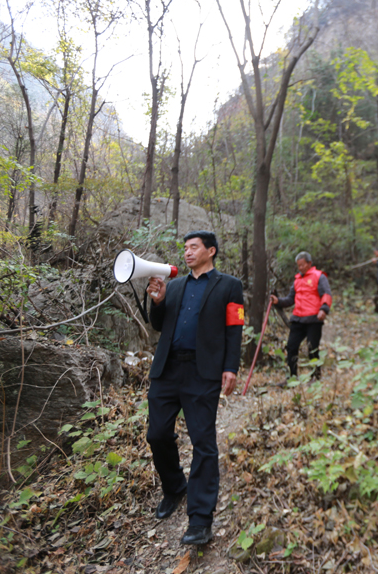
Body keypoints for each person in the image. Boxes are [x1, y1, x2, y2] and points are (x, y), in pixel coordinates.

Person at [145, 230, 244, 546]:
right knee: (156, 434)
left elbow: (235, 328)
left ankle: (200, 520)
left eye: (194, 247)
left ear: (210, 251)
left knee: (203, 443)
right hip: (167, 369)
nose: (187, 252)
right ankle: (175, 487)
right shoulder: (173, 286)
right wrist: (157, 302)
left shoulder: (229, 286)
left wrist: (231, 367)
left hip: (203, 373)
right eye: (185, 248)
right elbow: (158, 324)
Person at [271, 251, 332, 380]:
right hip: (298, 319)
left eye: (303, 265)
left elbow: (326, 294)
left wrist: (324, 309)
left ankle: (316, 377)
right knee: (291, 347)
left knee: (312, 349)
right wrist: (278, 301)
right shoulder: (297, 280)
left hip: (314, 319)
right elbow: (290, 299)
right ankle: (292, 377)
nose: (300, 268)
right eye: (298, 265)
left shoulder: (319, 277)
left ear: (309, 263)